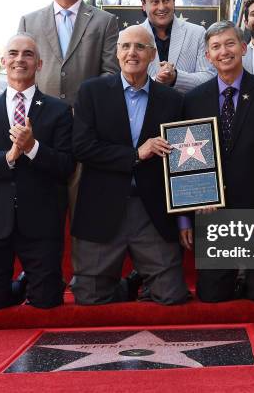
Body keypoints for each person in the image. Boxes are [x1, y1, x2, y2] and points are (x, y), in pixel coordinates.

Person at [71, 25, 189, 306]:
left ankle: (146, 280)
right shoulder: (92, 92)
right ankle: (129, 284)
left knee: (172, 297)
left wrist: (185, 217)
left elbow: (185, 159)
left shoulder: (173, 101)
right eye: (125, 46)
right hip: (103, 204)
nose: (131, 53)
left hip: (152, 210)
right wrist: (136, 154)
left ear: (152, 55)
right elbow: (82, 147)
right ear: (117, 53)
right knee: (89, 298)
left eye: (139, 47)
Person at [181, 21, 254, 304]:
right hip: (214, 216)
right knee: (212, 296)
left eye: (230, 43)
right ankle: (238, 278)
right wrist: (186, 215)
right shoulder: (193, 100)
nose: (224, 51)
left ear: (243, 48)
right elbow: (187, 161)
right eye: (216, 47)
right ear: (207, 56)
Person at [0, 34, 75, 310]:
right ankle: (21, 283)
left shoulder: (59, 111)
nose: (19, 59)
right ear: (4, 61)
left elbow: (66, 166)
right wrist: (10, 156)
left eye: (27, 54)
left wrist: (32, 147)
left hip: (41, 221)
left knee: (47, 302)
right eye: (13, 53)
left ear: (39, 63)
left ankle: (38, 284)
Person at [18, 0, 119, 107]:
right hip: (40, 115)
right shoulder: (29, 22)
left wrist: (89, 101)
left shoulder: (105, 21)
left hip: (87, 115)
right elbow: (22, 70)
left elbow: (111, 72)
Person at [139, 0, 214, 93]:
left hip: (186, 110)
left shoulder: (198, 33)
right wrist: (157, 80)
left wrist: (176, 77)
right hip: (145, 110)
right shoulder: (130, 38)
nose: (162, 7)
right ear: (143, 5)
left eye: (166, 0)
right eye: (155, 2)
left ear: (174, 1)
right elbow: (128, 82)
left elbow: (209, 77)